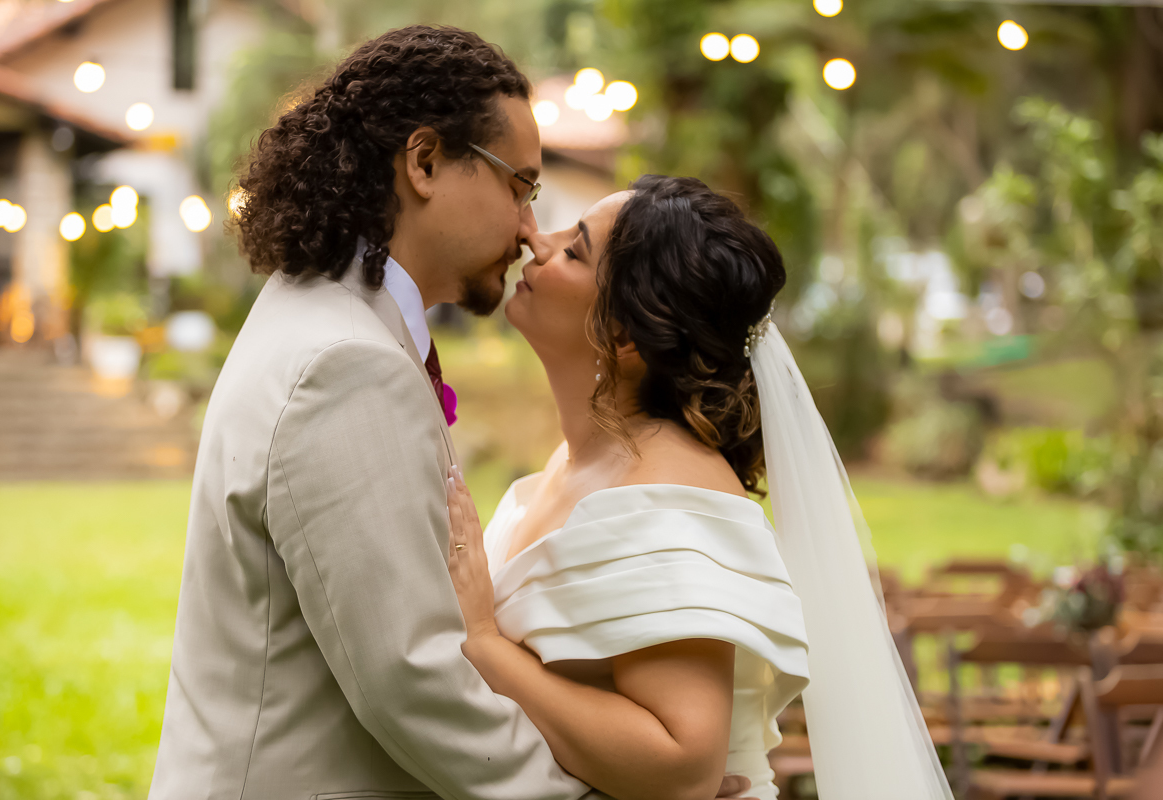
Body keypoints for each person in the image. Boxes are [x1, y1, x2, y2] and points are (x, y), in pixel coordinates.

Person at [149, 25, 749, 800]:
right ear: (425, 163)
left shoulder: (323, 317)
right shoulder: (347, 362)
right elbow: (412, 680)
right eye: (520, 187)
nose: (531, 230)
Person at [445, 176, 955, 800]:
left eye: (575, 251)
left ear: (625, 336)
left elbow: (681, 766)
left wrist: (488, 647)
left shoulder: (667, 491)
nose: (535, 241)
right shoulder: (577, 463)